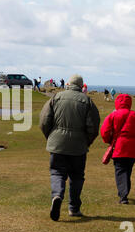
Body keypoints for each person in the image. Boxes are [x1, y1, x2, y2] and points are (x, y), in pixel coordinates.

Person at [39, 74, 100, 221]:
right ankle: (73, 208)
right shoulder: (87, 101)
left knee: (57, 173)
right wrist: (87, 142)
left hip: (57, 144)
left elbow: (44, 120)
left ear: (68, 84)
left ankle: (57, 196)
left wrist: (51, 138)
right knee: (77, 176)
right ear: (82, 86)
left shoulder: (56, 98)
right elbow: (93, 126)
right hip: (78, 145)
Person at [100, 94, 135, 205]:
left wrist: (109, 140)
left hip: (119, 146)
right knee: (127, 170)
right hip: (133, 147)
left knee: (120, 170)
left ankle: (123, 195)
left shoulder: (113, 115)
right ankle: (124, 192)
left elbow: (104, 131)